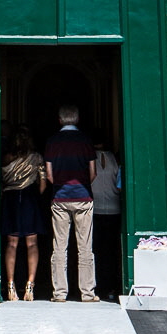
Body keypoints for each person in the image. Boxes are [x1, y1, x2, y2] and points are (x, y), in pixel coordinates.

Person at [44, 105, 98, 302]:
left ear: (59, 120)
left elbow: (49, 175)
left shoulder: (52, 142)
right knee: (85, 246)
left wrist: (60, 185)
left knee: (59, 246)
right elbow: (93, 173)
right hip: (83, 197)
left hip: (60, 197)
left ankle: (59, 293)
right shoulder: (86, 141)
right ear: (77, 119)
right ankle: (87, 292)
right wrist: (82, 186)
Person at [0, 126, 47, 302]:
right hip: (29, 199)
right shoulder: (36, 158)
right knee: (32, 243)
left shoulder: (5, 158)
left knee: (11, 244)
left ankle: (11, 287)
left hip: (10, 199)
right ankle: (30, 286)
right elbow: (43, 184)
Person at [91, 137, 121, 302]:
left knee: (95, 250)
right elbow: (119, 184)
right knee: (110, 251)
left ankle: (96, 286)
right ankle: (110, 286)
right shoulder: (114, 159)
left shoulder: (88, 158)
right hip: (113, 208)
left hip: (94, 209)